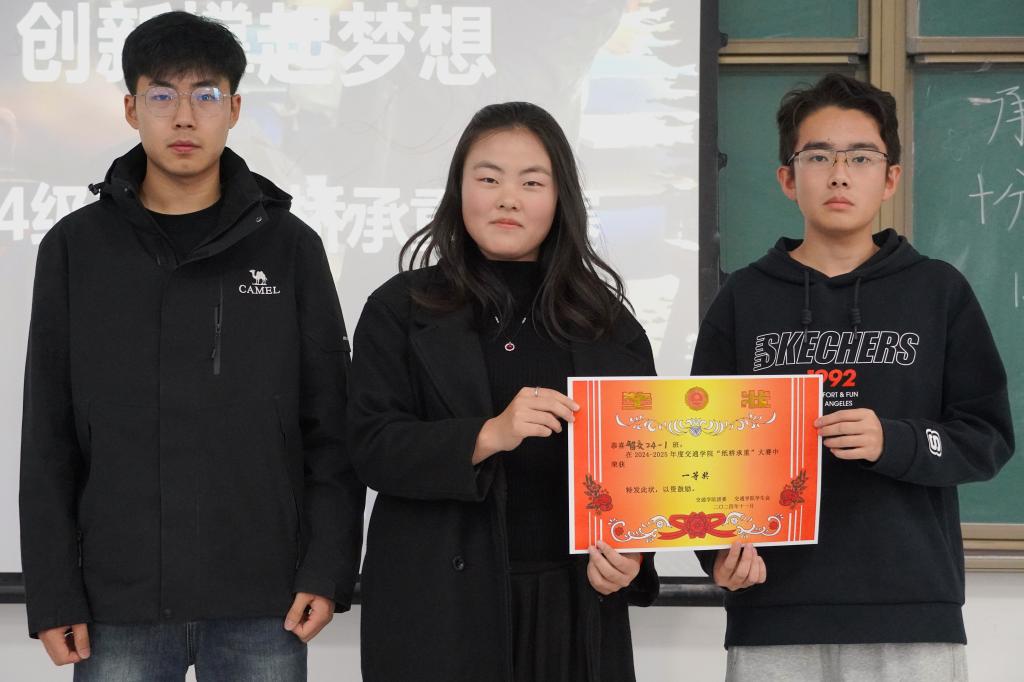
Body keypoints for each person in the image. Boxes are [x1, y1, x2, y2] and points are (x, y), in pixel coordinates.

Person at [19, 11, 364, 681]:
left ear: (234, 109)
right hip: (118, 602)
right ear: (130, 109)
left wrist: (327, 569)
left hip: (264, 598)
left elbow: (331, 429)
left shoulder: (290, 248)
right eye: (162, 95)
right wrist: (53, 590)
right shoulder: (75, 249)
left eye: (205, 94)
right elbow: (48, 439)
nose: (184, 117)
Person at [691, 73, 1015, 681]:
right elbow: (702, 451)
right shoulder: (743, 297)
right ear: (788, 178)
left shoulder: (939, 291)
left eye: (861, 157)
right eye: (818, 156)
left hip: (911, 613)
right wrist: (718, 554)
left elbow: (987, 438)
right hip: (773, 612)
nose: (839, 174)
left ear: (890, 178)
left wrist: (896, 440)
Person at [348, 101, 659, 682]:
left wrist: (631, 556)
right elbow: (371, 446)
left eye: (532, 182)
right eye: (488, 179)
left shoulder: (606, 320)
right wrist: (489, 434)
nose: (508, 199)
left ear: (560, 198)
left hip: (572, 605)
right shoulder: (400, 308)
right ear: (458, 190)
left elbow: (644, 465)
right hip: (438, 608)